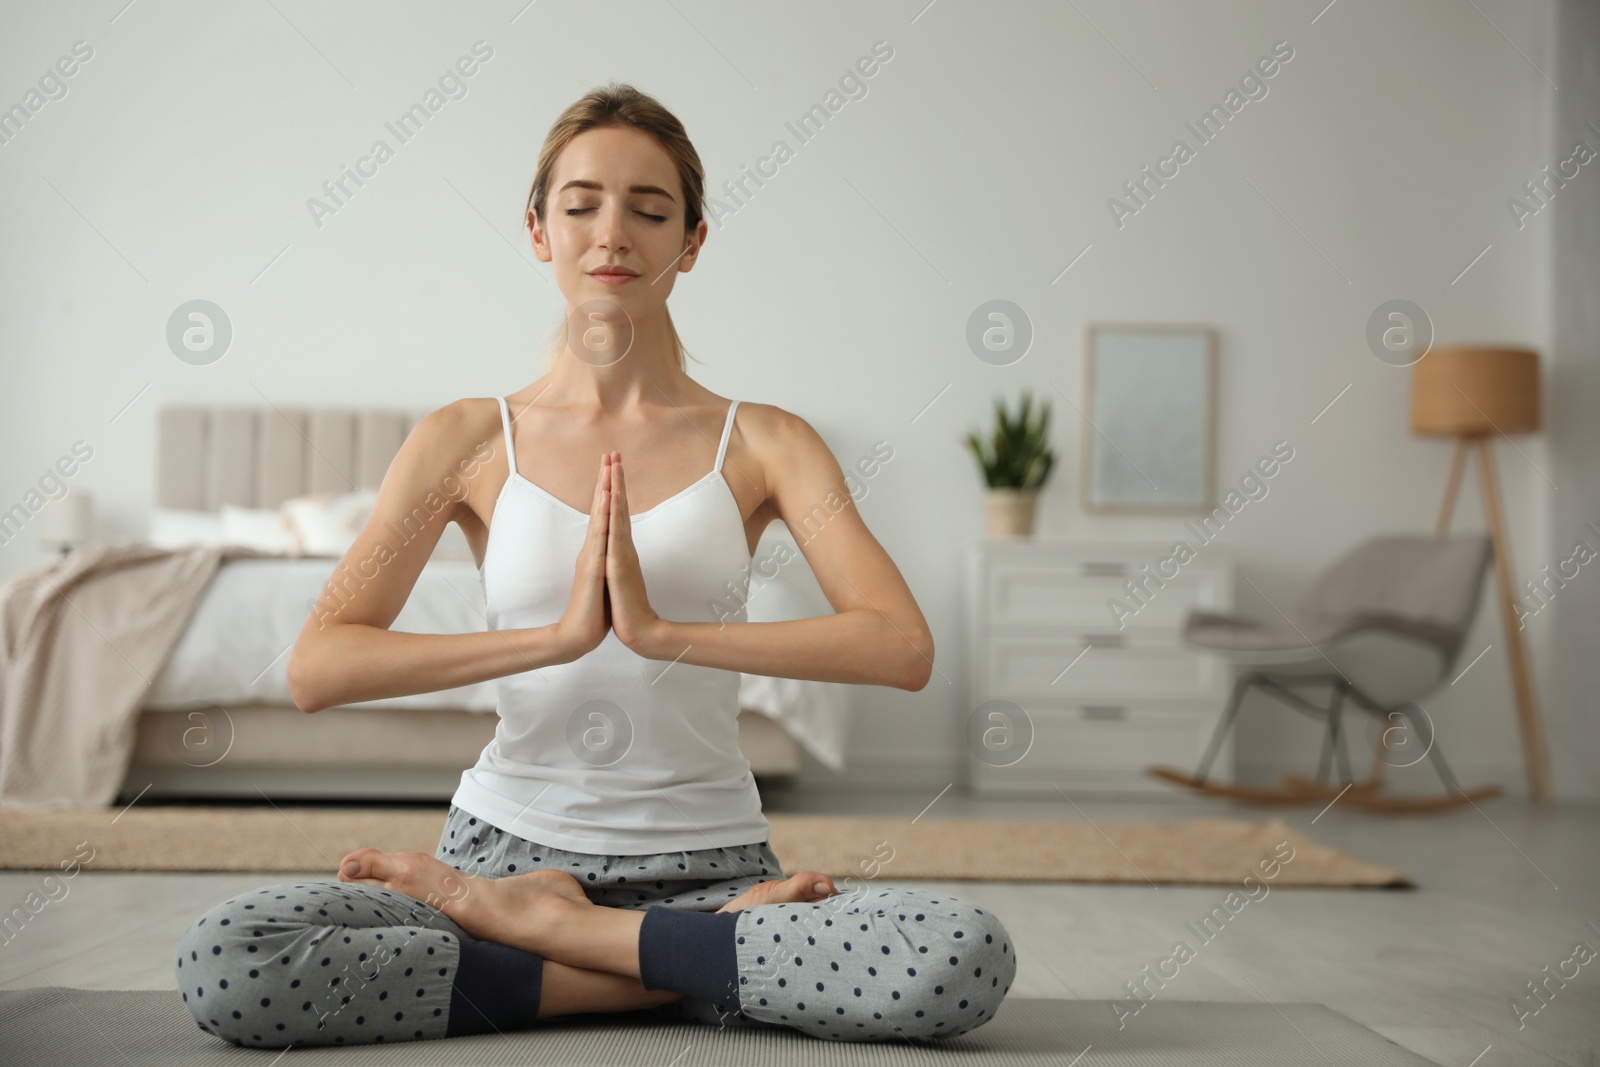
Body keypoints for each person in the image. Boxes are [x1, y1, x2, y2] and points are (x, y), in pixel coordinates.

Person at [175, 81, 1015, 1049]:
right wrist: (556, 637)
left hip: (711, 861)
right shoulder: (465, 436)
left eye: (649, 210)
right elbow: (319, 666)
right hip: (500, 856)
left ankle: (564, 941)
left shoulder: (767, 442)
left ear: (691, 242)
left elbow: (899, 645)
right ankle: (686, 963)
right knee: (232, 958)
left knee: (961, 956)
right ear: (538, 230)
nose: (611, 232)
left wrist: (663, 634)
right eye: (580, 206)